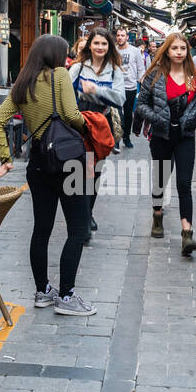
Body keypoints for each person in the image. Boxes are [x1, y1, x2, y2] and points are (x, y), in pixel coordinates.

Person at [0, 35, 95, 317]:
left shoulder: (23, 81)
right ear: (56, 56)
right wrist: (89, 126)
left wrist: (6, 158)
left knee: (42, 228)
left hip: (38, 162)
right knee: (78, 228)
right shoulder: (60, 75)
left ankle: (42, 291)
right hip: (69, 161)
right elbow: (72, 115)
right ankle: (67, 295)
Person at [136, 32, 196, 256]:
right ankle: (157, 215)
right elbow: (141, 105)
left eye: (182, 48)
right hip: (161, 135)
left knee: (184, 183)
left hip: (185, 136)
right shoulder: (156, 75)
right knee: (161, 179)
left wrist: (193, 119)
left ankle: (187, 234)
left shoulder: (194, 77)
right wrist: (158, 119)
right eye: (174, 48)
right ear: (167, 51)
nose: (179, 52)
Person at [71, 28, 126, 237]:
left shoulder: (114, 71)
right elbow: (66, 93)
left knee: (95, 172)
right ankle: (84, 220)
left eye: (104, 44)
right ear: (89, 45)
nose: (100, 47)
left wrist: (96, 90)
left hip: (102, 124)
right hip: (80, 123)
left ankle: (87, 213)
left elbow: (120, 99)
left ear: (109, 47)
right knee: (83, 171)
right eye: (96, 43)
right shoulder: (77, 69)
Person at [115, 27, 143, 150]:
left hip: (130, 87)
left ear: (127, 37)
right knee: (116, 114)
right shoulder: (113, 51)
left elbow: (141, 68)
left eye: (122, 35)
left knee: (127, 114)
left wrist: (140, 82)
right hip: (116, 87)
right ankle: (116, 139)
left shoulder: (135, 51)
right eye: (118, 35)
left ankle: (126, 138)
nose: (120, 37)